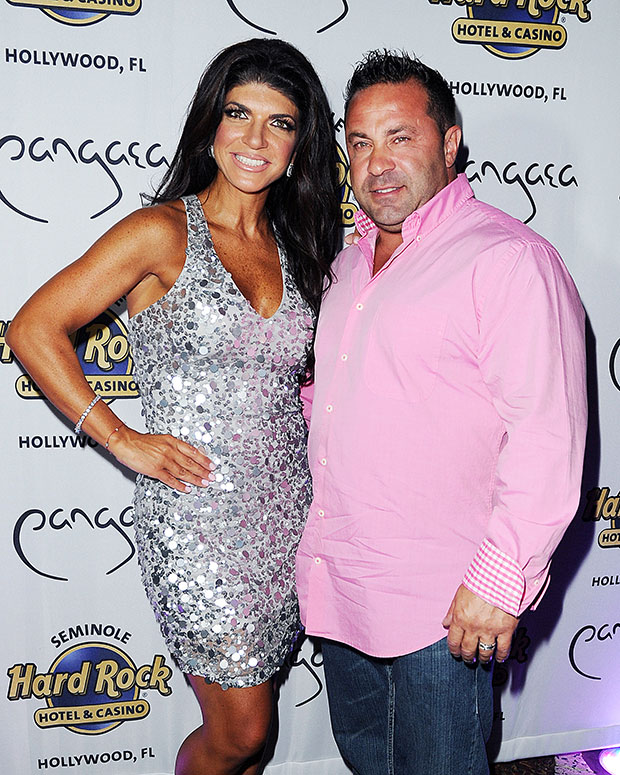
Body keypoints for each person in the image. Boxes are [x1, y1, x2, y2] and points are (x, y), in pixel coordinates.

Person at [7, 38, 340, 775]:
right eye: (239, 114)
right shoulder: (162, 231)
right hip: (196, 516)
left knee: (252, 736)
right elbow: (32, 328)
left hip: (288, 514)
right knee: (241, 732)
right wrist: (119, 437)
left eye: (280, 123)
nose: (256, 139)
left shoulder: (300, 244)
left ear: (300, 143)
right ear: (211, 124)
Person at [296, 50, 587, 775]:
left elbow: (546, 434)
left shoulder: (507, 258)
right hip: (345, 588)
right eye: (360, 143)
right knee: (370, 763)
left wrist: (498, 582)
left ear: (449, 143)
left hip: (443, 605)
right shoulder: (344, 266)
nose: (377, 164)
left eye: (400, 137)